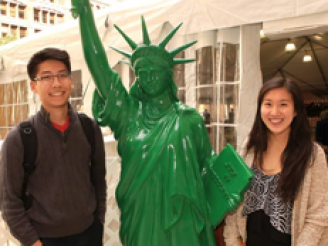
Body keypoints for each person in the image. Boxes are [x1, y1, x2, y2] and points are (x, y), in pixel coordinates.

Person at [70, 0, 249, 245]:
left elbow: (206, 163)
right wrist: (84, 13)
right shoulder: (128, 114)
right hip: (140, 214)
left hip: (184, 215)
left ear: (169, 75)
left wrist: (223, 192)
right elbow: (98, 63)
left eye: (155, 71)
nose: (148, 77)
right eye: (142, 71)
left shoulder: (189, 119)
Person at [0, 48, 107, 246]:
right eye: (46, 77)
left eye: (62, 75)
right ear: (33, 86)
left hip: (89, 234)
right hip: (44, 239)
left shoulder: (89, 128)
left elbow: (98, 180)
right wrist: (33, 242)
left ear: (71, 80)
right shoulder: (20, 138)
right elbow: (9, 202)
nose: (57, 83)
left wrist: (98, 221)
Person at [224, 77, 328, 246]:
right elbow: (233, 205)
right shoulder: (248, 149)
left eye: (283, 104)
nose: (275, 112)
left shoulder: (313, 155)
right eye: (268, 104)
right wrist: (232, 241)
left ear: (295, 111)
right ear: (260, 109)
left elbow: (318, 216)